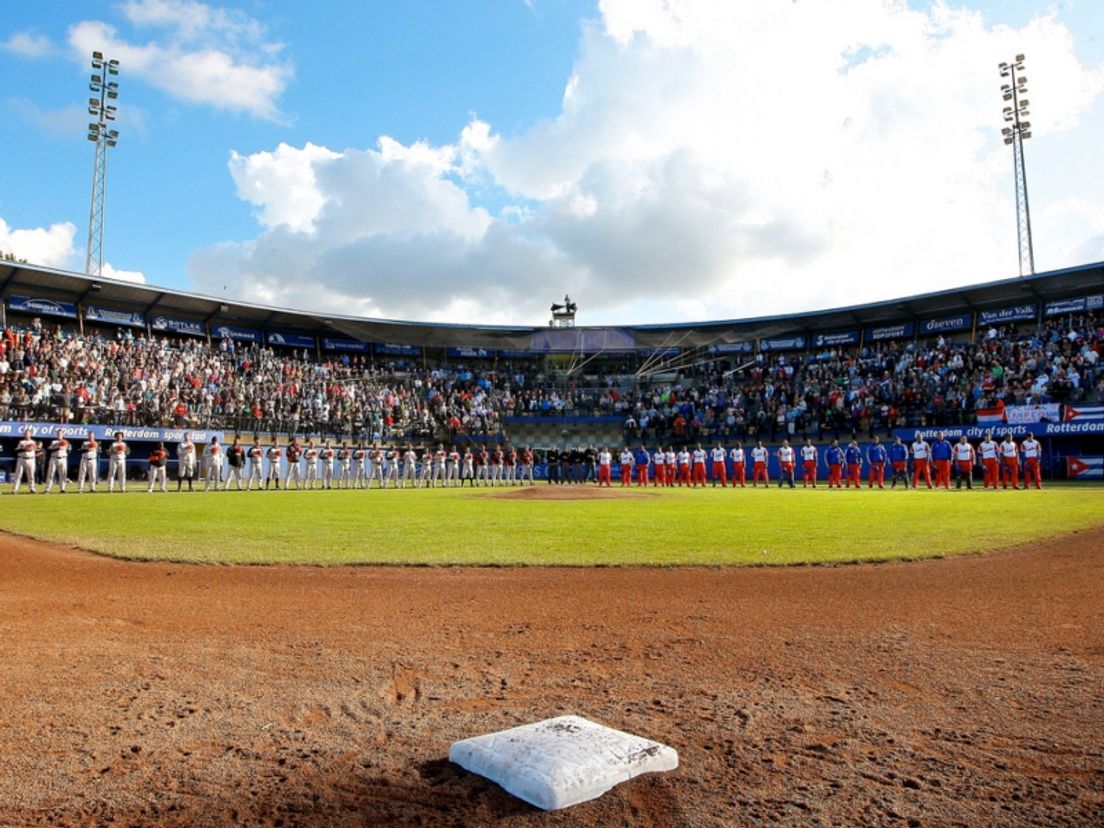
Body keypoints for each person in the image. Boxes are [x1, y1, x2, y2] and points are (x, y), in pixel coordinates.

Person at [12, 428, 38, 494]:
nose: (27, 434)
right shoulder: (21, 442)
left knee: (31, 475)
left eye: (28, 433)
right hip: (21, 459)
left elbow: (35, 449)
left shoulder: (33, 442)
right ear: (24, 434)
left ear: (30, 434)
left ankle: (32, 489)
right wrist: (24, 448)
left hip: (30, 459)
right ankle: (15, 489)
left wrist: (30, 448)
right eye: (26, 433)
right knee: (18, 475)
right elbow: (16, 450)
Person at [45, 429, 71, 494]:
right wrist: (58, 448)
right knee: (50, 474)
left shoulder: (66, 441)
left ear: (62, 434)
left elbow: (69, 450)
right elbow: (49, 450)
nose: (59, 435)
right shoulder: (53, 442)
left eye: (60, 434)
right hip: (54, 458)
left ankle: (62, 488)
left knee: (63, 474)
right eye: (58, 434)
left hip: (63, 458)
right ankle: (48, 488)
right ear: (56, 435)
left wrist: (67, 448)